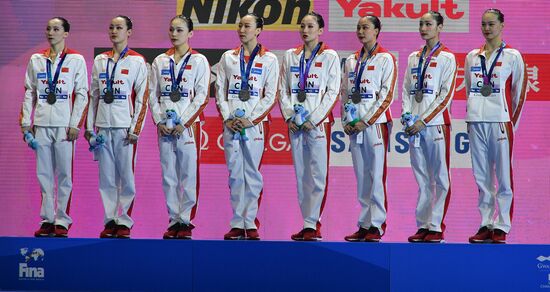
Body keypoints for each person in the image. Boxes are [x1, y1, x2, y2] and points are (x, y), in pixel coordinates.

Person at [20, 17, 88, 238]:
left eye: (56, 29)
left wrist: (76, 124)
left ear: (66, 33)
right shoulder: (36, 59)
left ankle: (62, 220)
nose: (51, 32)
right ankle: (48, 219)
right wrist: (25, 123)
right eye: (48, 28)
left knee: (64, 174)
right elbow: (29, 91)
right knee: (44, 174)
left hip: (64, 125)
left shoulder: (76, 59)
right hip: (41, 124)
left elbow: (82, 94)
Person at [215, 13, 279, 240]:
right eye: (240, 25)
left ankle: (250, 222)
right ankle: (237, 222)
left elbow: (271, 96)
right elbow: (219, 92)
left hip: (255, 125)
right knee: (234, 174)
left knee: (251, 173)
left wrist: (250, 119)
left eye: (247, 26)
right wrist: (227, 117)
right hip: (231, 124)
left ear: (259, 30)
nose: (242, 29)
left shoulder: (269, 59)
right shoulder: (228, 57)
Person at [465, 9, 527, 244]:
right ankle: (485, 223)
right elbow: (470, 87)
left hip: (501, 123)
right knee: (481, 176)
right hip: (477, 122)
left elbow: (519, 94)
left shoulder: (512, 56)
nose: (487, 28)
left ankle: (501, 225)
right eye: (483, 24)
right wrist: (471, 116)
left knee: (502, 176)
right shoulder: (472, 56)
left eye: (491, 24)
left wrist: (511, 124)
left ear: (502, 25)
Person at [279, 12, 340, 241]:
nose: (305, 30)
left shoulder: (330, 56)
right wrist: (290, 117)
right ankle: (306, 222)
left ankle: (313, 223)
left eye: (311, 26)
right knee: (301, 175)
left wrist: (312, 119)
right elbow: (283, 90)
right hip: (295, 125)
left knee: (317, 174)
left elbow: (332, 92)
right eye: (302, 26)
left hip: (317, 125)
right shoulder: (290, 56)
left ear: (321, 30)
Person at [85, 15, 148, 239]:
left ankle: (125, 220)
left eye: (119, 27)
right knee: (106, 178)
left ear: (129, 32)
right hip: (103, 127)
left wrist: (135, 129)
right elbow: (93, 96)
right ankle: (110, 219)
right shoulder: (101, 60)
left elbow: (142, 98)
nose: (114, 31)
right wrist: (90, 128)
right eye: (111, 27)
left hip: (124, 128)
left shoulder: (137, 61)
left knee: (126, 176)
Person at [149, 15, 209, 240]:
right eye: (172, 30)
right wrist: (160, 121)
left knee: (188, 174)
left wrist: (183, 122)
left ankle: (186, 220)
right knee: (168, 175)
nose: (174, 34)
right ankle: (173, 220)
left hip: (188, 127)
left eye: (180, 30)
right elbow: (152, 95)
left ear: (190, 34)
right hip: (164, 127)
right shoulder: (159, 61)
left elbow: (202, 96)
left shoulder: (199, 61)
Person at [402, 11, 457, 243]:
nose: (424, 28)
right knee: (422, 178)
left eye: (429, 24)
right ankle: (423, 225)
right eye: (421, 24)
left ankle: (436, 226)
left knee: (440, 177)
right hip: (414, 127)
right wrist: (407, 117)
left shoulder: (447, 58)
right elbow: (406, 90)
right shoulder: (414, 57)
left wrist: (422, 120)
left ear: (440, 27)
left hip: (434, 125)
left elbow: (446, 96)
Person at [341, 16, 397, 242]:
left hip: (375, 125)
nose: (361, 31)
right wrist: (346, 120)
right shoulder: (352, 60)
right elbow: (344, 92)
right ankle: (364, 224)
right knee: (362, 176)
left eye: (366, 27)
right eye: (358, 27)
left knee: (376, 175)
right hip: (355, 127)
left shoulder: (386, 58)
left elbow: (387, 95)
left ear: (377, 31)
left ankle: (377, 224)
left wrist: (368, 120)